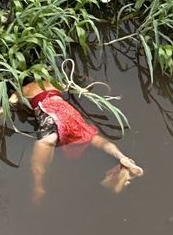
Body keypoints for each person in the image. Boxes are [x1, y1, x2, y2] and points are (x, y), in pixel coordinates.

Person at [14, 78, 144, 203]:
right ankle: (121, 156)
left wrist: (5, 109)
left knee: (46, 141)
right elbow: (65, 86)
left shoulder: (23, 90)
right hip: (71, 115)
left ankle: (38, 185)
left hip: (52, 114)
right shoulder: (54, 84)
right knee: (97, 140)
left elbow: (12, 101)